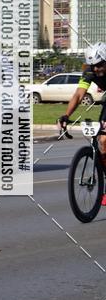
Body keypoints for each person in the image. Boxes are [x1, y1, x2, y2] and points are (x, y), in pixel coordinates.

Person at [59, 42, 106, 204]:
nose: (96, 69)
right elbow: (78, 95)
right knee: (103, 140)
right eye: (93, 66)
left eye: (100, 65)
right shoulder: (89, 73)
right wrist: (66, 115)